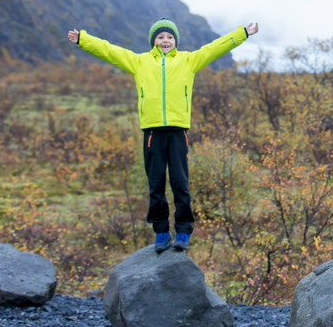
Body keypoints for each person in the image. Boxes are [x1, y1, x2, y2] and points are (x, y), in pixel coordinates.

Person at [67, 18, 258, 252]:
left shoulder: (189, 60)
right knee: (156, 184)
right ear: (153, 41)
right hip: (152, 132)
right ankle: (161, 233)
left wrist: (243, 34)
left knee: (180, 183)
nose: (165, 40)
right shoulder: (140, 62)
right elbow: (109, 51)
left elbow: (216, 47)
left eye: (169, 37)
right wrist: (82, 40)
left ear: (175, 40)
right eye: (160, 37)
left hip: (178, 132)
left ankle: (184, 232)